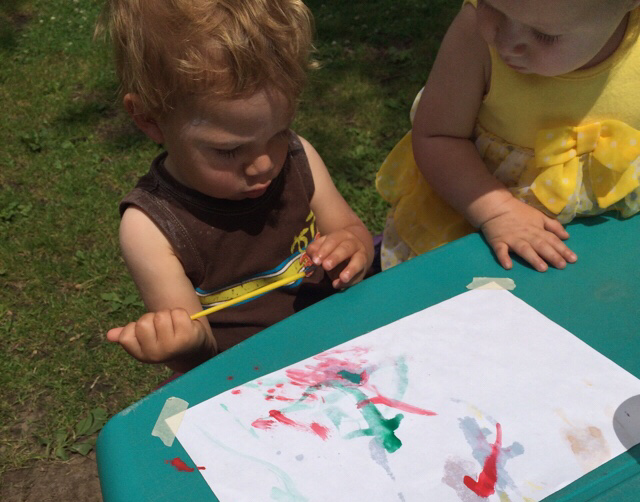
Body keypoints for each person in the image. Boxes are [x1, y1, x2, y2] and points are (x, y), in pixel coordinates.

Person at [97, 0, 374, 373]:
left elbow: (352, 231)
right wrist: (183, 344)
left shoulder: (297, 156)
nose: (264, 164)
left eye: (278, 133)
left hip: (344, 341)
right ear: (149, 119)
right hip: (254, 378)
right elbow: (199, 360)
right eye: (229, 151)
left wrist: (354, 248)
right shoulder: (150, 228)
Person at [376, 0, 640, 272]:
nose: (505, 43)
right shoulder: (475, 37)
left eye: (544, 35)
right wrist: (497, 211)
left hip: (609, 240)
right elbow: (438, 136)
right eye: (491, 7)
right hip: (476, 223)